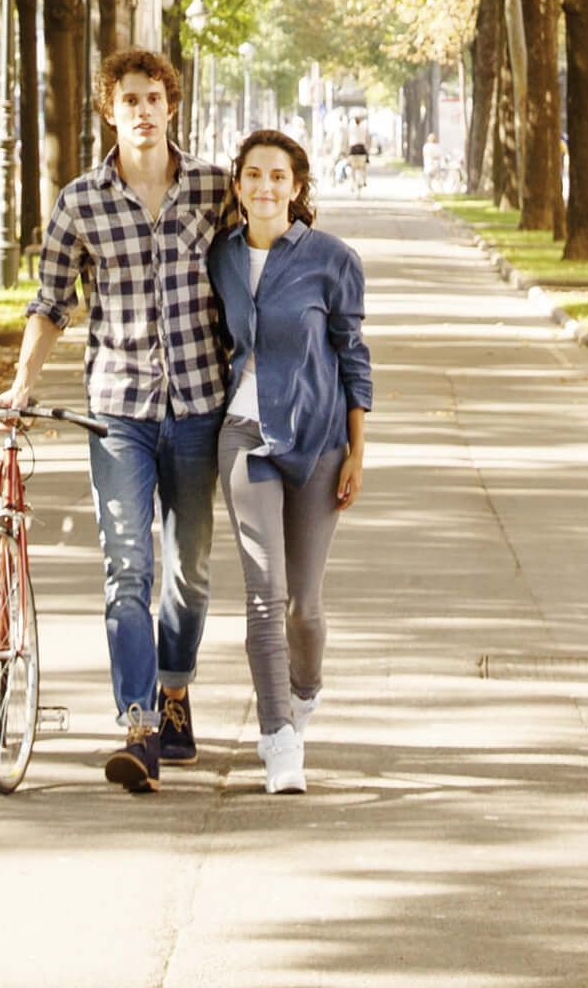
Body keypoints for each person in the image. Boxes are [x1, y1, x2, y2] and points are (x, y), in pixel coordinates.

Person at [4, 48, 235, 793]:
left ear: (172, 106)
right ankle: (139, 726)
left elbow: (256, 263)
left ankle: (174, 690)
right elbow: (51, 303)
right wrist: (22, 382)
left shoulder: (213, 189)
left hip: (198, 404)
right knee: (127, 566)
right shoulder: (80, 201)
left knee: (189, 571)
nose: (142, 110)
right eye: (129, 99)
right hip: (119, 411)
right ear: (110, 111)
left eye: (153, 98)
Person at [209, 128, 371, 795]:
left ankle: (304, 691)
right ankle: (278, 739)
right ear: (238, 185)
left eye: (278, 176)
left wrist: (357, 450)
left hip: (317, 442)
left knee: (303, 605)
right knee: (265, 595)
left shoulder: (332, 260)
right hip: (244, 436)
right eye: (253, 175)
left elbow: (353, 356)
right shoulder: (220, 256)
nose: (265, 187)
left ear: (297, 188)